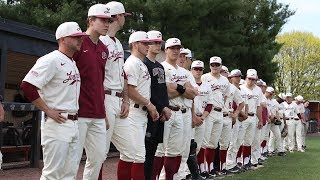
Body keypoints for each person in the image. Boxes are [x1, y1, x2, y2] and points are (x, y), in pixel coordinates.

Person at [20, 22, 86, 179]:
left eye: (80, 37)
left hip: (73, 122)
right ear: (63, 39)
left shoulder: (72, 62)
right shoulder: (50, 60)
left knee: (69, 174)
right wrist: (47, 110)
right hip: (57, 123)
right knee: (52, 174)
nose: (80, 40)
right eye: (75, 37)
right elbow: (27, 85)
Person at [72, 4, 113, 180]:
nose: (107, 24)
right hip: (78, 111)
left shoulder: (104, 48)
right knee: (72, 160)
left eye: (109, 20)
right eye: (103, 20)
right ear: (90, 20)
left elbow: (100, 82)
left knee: (98, 158)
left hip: (97, 112)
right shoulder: (78, 43)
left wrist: (103, 112)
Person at [154, 38, 196, 180]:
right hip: (167, 111)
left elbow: (193, 94)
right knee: (159, 151)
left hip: (182, 112)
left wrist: (176, 87)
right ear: (166, 50)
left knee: (175, 151)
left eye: (178, 48)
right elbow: (165, 92)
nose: (176, 51)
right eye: (172, 48)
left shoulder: (185, 72)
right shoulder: (161, 67)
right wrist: (184, 88)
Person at [120, 31, 159, 180]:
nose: (148, 46)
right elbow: (129, 89)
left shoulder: (140, 63)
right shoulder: (132, 62)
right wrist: (149, 104)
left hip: (141, 113)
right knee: (137, 156)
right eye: (145, 43)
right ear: (135, 44)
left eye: (149, 43)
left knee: (135, 155)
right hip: (133, 112)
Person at [99, 2, 130, 179]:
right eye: (124, 15)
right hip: (104, 97)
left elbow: (123, 74)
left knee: (132, 150)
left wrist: (125, 100)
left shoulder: (118, 43)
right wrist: (100, 106)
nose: (125, 19)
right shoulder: (101, 41)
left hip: (118, 100)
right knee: (99, 153)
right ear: (118, 16)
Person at [143, 30, 171, 180]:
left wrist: (165, 107)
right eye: (154, 42)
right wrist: (161, 107)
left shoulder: (160, 66)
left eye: (159, 42)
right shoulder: (144, 63)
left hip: (160, 112)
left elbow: (163, 89)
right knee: (146, 150)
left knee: (153, 150)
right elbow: (148, 90)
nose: (157, 45)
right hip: (149, 112)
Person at [200, 56, 230, 178]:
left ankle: (211, 168)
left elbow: (226, 95)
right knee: (205, 141)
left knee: (213, 143)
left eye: (217, 64)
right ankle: (204, 169)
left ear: (221, 66)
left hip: (220, 112)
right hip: (209, 112)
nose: (215, 67)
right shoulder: (205, 77)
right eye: (213, 64)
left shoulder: (225, 80)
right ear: (209, 65)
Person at [219, 67, 244, 175]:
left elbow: (241, 103)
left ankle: (224, 167)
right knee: (210, 144)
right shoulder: (212, 83)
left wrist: (235, 114)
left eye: (224, 72)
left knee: (225, 144)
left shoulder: (233, 88)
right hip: (214, 115)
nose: (223, 74)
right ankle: (212, 168)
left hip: (227, 116)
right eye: (221, 72)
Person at [239, 69, 263, 170]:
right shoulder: (241, 87)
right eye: (249, 78)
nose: (251, 81)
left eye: (254, 79)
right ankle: (237, 162)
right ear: (246, 78)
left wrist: (260, 120)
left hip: (253, 117)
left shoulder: (258, 90)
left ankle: (246, 161)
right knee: (238, 140)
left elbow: (259, 106)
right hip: (242, 116)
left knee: (249, 141)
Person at [225, 69, 249, 173]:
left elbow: (245, 104)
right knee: (232, 142)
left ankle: (233, 162)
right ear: (231, 78)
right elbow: (233, 105)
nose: (238, 78)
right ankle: (229, 163)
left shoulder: (242, 89)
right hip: (234, 117)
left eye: (239, 76)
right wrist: (240, 114)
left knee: (238, 142)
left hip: (242, 118)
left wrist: (246, 115)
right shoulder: (230, 88)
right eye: (236, 76)